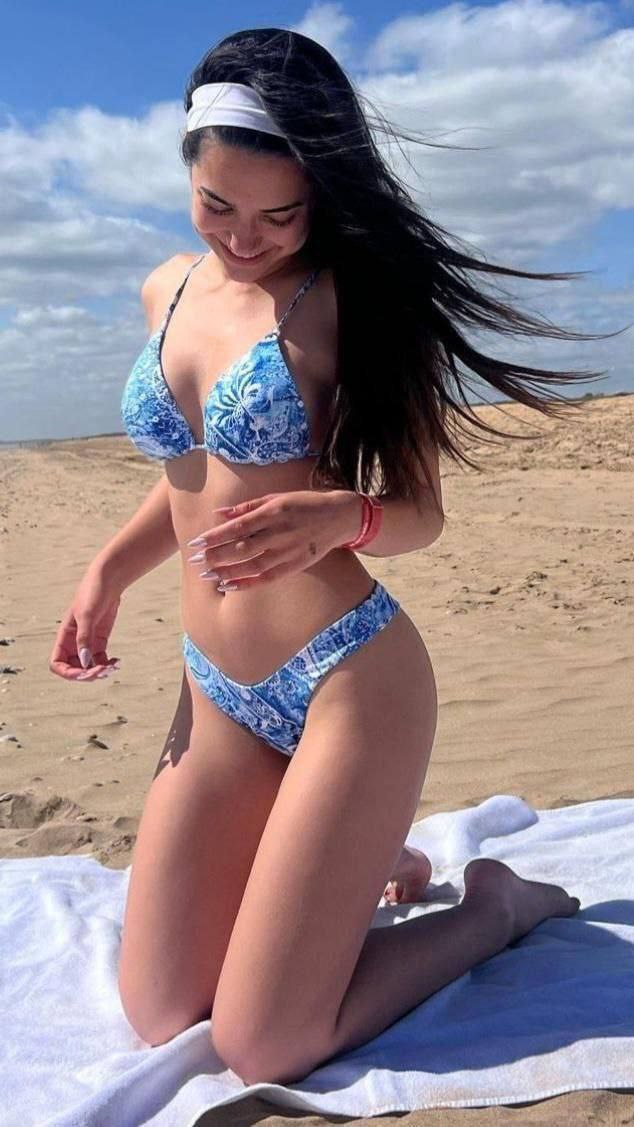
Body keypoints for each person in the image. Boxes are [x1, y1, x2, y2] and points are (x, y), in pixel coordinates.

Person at [50, 26, 621, 1086]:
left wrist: (341, 518)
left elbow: (417, 511)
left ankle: (494, 907)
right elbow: (193, 475)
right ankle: (358, 851)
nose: (246, 237)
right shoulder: (166, 289)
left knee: (264, 1041)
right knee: (163, 1008)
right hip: (216, 690)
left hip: (347, 677)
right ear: (187, 171)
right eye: (218, 205)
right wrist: (107, 572)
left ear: (320, 188)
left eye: (281, 214)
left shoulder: (356, 304)